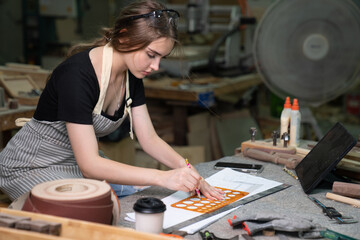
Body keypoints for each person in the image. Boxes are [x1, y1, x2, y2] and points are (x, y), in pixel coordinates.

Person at [0, 0, 224, 202]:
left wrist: (190, 172)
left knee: (146, 193)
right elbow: (90, 165)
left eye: (161, 58)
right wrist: (162, 176)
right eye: (151, 54)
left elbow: (149, 139)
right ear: (125, 37)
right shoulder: (77, 75)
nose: (156, 67)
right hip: (30, 166)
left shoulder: (132, 75)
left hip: (75, 164)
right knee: (98, 207)